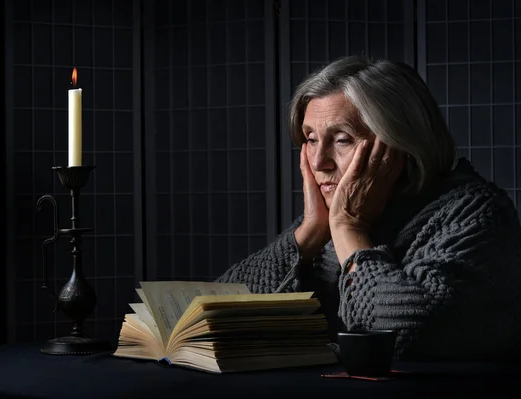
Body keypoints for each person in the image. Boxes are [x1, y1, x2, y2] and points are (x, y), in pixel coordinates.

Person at [215, 55, 521, 361]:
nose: (319, 161)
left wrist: (349, 229)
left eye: (342, 139)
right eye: (310, 139)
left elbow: (406, 334)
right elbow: (210, 310)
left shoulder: (476, 212)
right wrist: (308, 235)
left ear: (397, 144)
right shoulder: (328, 221)